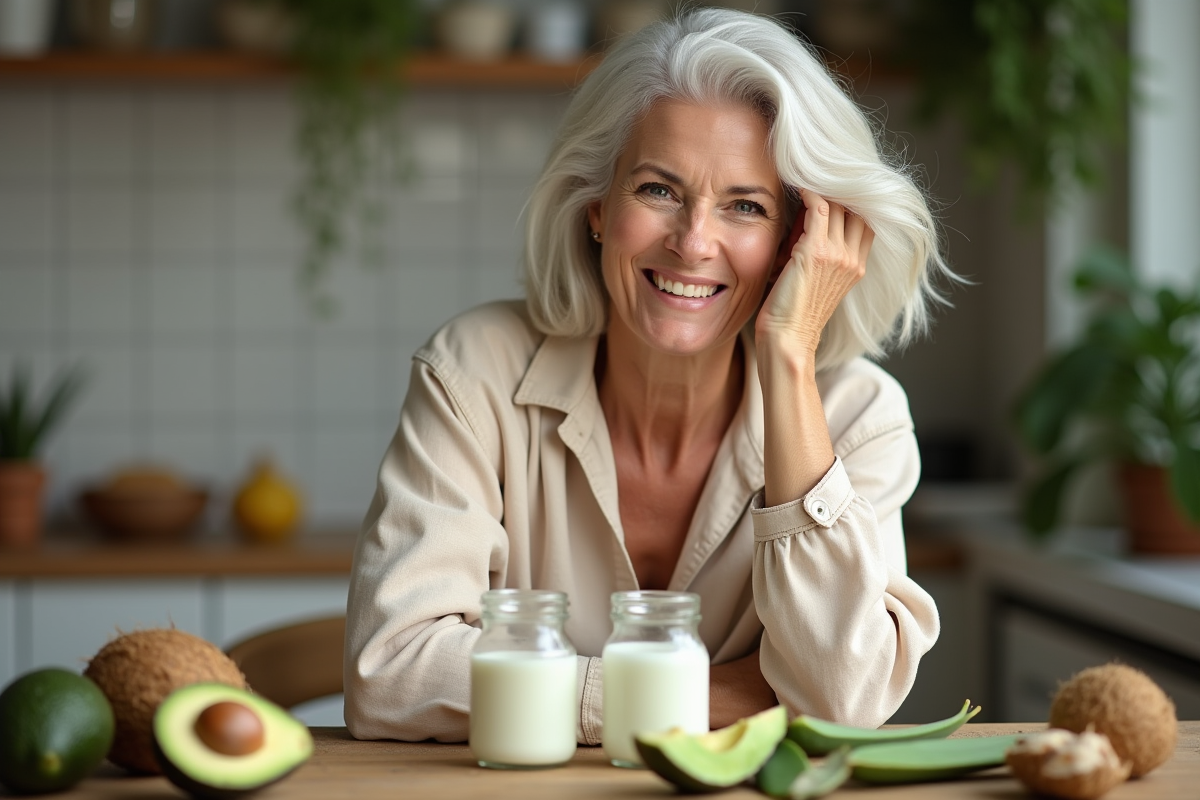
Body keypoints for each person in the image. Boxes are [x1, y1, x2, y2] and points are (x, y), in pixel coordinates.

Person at [344, 7, 952, 746]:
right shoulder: (475, 372)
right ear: (597, 206)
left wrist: (790, 354)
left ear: (795, 243)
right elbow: (391, 671)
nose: (694, 242)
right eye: (659, 190)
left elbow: (842, 698)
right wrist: (703, 692)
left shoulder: (860, 417)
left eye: (746, 207)